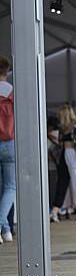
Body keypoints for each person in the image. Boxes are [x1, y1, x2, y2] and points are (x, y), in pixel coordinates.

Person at [0, 56, 14, 243]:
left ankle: (6, 230)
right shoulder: (12, 91)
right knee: (10, 187)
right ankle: (4, 226)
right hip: (10, 141)